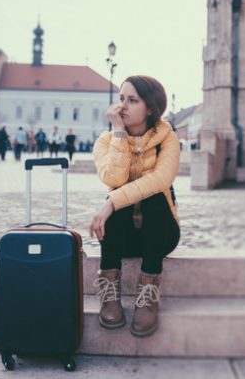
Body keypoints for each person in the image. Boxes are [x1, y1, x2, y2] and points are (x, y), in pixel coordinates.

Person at [90, 75, 180, 337]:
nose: (122, 107)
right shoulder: (106, 141)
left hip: (161, 235)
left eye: (132, 100)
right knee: (119, 191)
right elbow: (113, 178)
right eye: (120, 99)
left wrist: (109, 204)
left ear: (150, 107)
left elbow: (161, 179)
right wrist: (119, 132)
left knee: (153, 194)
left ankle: (148, 293)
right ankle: (109, 290)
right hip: (122, 237)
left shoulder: (167, 138)